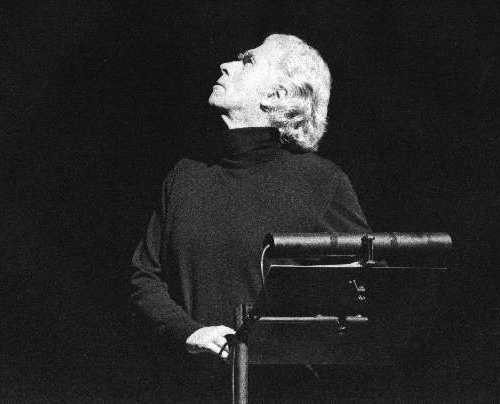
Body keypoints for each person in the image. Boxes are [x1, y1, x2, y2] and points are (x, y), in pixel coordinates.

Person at [129, 34, 370, 402]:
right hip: (188, 392)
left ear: (276, 95)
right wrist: (189, 332)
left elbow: (365, 290)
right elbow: (144, 277)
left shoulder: (321, 182)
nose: (226, 65)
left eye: (248, 61)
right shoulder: (186, 175)